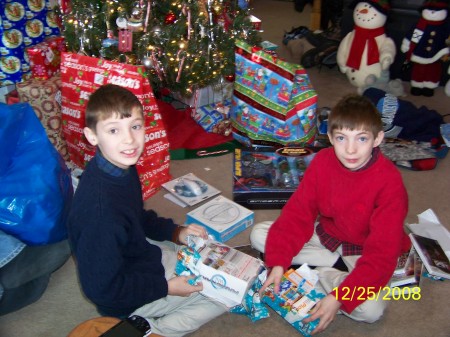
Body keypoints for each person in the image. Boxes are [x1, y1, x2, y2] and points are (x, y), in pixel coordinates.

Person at [67, 84, 226, 337]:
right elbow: (102, 289)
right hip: (126, 298)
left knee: (198, 250)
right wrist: (166, 288)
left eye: (135, 126)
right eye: (113, 130)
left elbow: (136, 216)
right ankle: (155, 331)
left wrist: (176, 232)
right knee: (222, 294)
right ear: (92, 135)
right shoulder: (100, 216)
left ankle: (171, 267)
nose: (129, 139)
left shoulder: (117, 167)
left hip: (138, 260)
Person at [250, 94, 411, 334]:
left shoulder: (389, 183)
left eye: (362, 138)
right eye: (341, 138)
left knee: (370, 310)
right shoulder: (323, 161)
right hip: (328, 236)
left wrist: (338, 297)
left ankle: (322, 274)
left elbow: (381, 254)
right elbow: (298, 214)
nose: (350, 149)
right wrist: (276, 265)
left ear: (378, 139)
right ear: (330, 138)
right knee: (258, 234)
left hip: (365, 250)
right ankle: (329, 268)